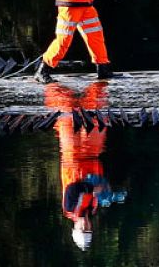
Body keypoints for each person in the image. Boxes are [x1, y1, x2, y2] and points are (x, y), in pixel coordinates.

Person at [45, 82, 127, 251]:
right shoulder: (94, 207)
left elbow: (73, 189)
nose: (87, 225)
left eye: (83, 229)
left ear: (75, 228)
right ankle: (98, 82)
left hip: (72, 155)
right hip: (92, 153)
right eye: (89, 229)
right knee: (96, 111)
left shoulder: (69, 209)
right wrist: (108, 191)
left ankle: (52, 83)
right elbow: (100, 184)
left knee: (66, 110)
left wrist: (93, 189)